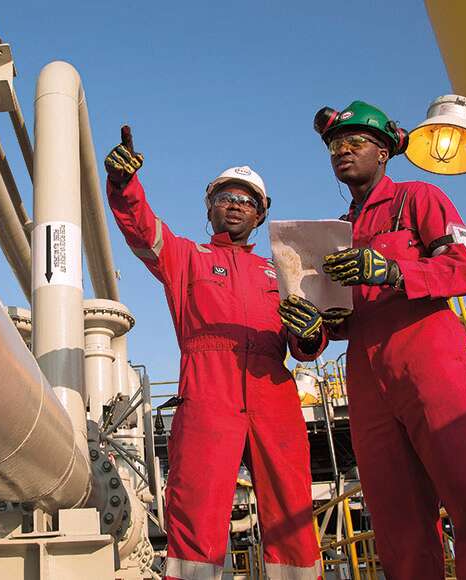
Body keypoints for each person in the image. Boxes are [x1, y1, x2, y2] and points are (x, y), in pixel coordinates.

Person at [279, 101, 466, 579]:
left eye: (355, 143)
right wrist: (309, 328)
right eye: (335, 145)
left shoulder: (419, 198)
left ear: (384, 153)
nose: (342, 151)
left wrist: (394, 270)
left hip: (427, 358)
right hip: (367, 375)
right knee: (393, 510)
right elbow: (338, 322)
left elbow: (463, 269)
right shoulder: (337, 233)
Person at [106, 126, 323, 580]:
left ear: (262, 215)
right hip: (208, 391)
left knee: (292, 508)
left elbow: (306, 345)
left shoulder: (282, 271)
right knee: (197, 506)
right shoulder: (188, 257)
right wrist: (125, 186)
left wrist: (310, 335)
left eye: (248, 200)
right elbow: (143, 230)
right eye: (227, 196)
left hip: (273, 391)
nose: (237, 204)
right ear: (210, 207)